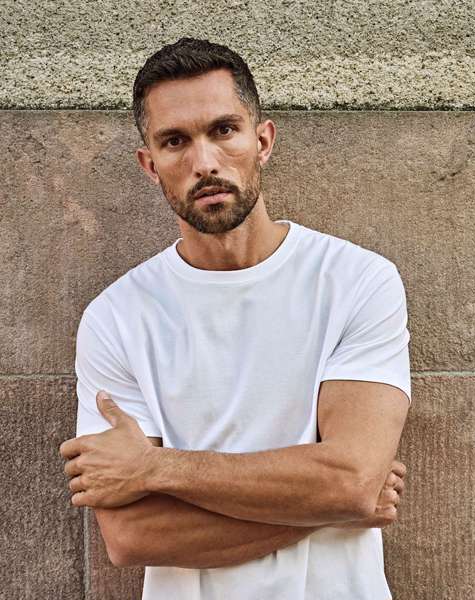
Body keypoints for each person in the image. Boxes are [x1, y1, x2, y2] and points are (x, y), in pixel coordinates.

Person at [59, 37, 411, 600]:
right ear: (150, 165)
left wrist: (155, 469)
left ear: (262, 140)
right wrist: (331, 505)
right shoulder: (116, 317)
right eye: (175, 141)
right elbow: (131, 536)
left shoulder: (356, 280)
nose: (204, 163)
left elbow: (351, 479)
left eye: (224, 130)